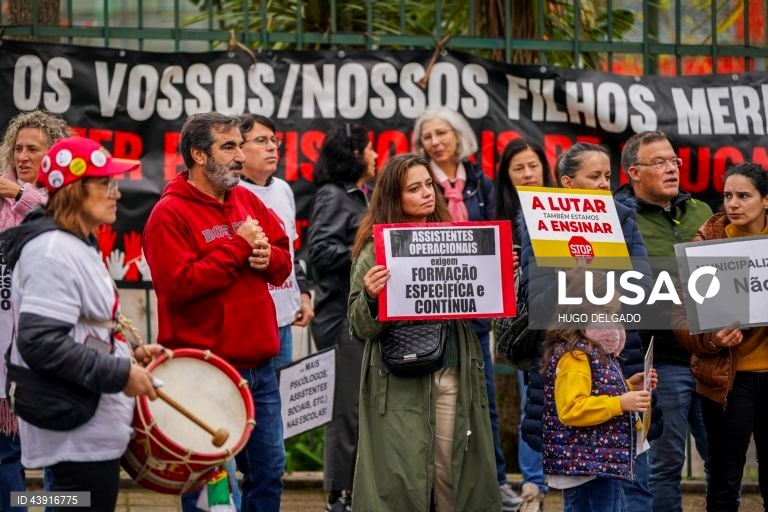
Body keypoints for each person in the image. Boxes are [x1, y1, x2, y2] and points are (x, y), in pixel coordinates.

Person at [0, 136, 160, 511]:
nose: (116, 194)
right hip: (75, 429)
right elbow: (42, 343)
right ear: (74, 190)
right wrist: (120, 374)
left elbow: (79, 327)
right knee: (75, 501)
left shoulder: (74, 243)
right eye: (106, 184)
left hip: (86, 423)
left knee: (76, 501)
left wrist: (129, 353)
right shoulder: (53, 251)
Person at [142, 112, 292, 512]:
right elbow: (178, 287)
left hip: (259, 368)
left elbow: (283, 260)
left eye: (241, 146)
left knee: (270, 470)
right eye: (229, 147)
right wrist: (240, 248)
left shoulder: (245, 198)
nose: (240, 156)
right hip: (204, 374)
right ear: (198, 155)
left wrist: (266, 256)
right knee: (213, 484)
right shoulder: (168, 214)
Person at [347, 153, 500, 511]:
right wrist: (370, 296)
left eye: (428, 184)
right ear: (394, 197)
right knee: (403, 480)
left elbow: (483, 307)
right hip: (398, 379)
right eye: (413, 189)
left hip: (452, 372)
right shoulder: (375, 248)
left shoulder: (458, 239)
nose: (426, 193)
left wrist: (497, 277)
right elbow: (358, 325)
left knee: (451, 475)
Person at [520, 142, 655, 511]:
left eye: (608, 176)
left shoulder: (623, 217)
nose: (603, 184)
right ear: (567, 182)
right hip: (568, 361)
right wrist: (571, 283)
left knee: (631, 482)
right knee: (582, 481)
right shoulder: (540, 223)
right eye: (593, 176)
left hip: (619, 360)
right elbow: (540, 303)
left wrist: (599, 280)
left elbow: (641, 288)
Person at [412, 107, 517, 510]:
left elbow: (493, 232)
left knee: (482, 399)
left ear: (459, 136)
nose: (435, 142)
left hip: (474, 308)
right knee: (430, 403)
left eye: (441, 133)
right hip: (430, 308)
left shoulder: (479, 182)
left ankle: (495, 480)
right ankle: (432, 488)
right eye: (427, 137)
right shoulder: (418, 181)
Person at [615, 130, 712, 512]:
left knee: (724, 461)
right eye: (659, 163)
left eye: (674, 161)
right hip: (661, 364)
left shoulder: (702, 212)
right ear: (634, 172)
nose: (672, 169)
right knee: (664, 466)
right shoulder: (618, 220)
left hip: (711, 359)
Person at [671, 163, 768, 511]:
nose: (733, 203)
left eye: (744, 195)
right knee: (725, 478)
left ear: (766, 200)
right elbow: (679, 317)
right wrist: (713, 340)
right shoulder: (707, 242)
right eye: (728, 195)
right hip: (726, 381)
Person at [0, 110, 70, 511]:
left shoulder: (61, 199)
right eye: (19, 148)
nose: (23, 156)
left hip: (47, 356)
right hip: (5, 351)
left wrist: (16, 194)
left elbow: (54, 219)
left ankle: (59, 504)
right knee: (6, 455)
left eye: (34, 150)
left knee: (57, 464)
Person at [541, 271, 657, 512]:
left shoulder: (593, 351)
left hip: (598, 463)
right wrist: (620, 403)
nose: (611, 322)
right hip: (586, 469)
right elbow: (572, 409)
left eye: (614, 314)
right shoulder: (575, 356)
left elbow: (596, 389)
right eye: (604, 313)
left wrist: (628, 386)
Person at [307, 123, 375, 512]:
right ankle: (339, 496)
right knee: (345, 408)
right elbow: (319, 252)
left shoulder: (359, 197)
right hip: (339, 317)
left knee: (358, 406)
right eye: (369, 148)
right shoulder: (333, 197)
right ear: (353, 155)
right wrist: (368, 253)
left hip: (356, 315)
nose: (375, 155)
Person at [494, 138, 553, 511]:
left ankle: (562, 470)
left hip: (568, 318)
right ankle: (533, 486)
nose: (528, 173)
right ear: (507, 176)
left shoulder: (561, 207)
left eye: (533, 165)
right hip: (525, 326)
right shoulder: (501, 213)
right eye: (519, 168)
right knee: (532, 400)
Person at [238, 113, 314, 369]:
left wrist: (302, 293)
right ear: (240, 148)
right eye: (261, 140)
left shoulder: (283, 189)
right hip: (251, 324)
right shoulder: (232, 194)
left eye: (273, 139)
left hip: (284, 319)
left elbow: (290, 249)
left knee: (282, 401)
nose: (271, 146)